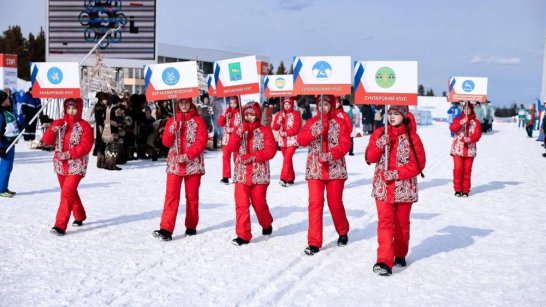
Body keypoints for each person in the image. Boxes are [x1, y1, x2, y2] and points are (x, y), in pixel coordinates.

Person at [365, 105, 426, 276]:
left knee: (401, 224)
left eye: (396, 113)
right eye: (390, 113)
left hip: (404, 188)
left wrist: (397, 173)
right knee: (385, 222)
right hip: (383, 187)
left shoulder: (413, 138)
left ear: (404, 115)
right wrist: (379, 144)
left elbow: (418, 164)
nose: (392, 117)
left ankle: (400, 253)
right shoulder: (380, 133)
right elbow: (370, 157)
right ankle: (384, 260)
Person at [296, 95, 351, 256]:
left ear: (332, 105)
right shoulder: (313, 122)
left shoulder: (340, 123)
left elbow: (346, 144)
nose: (323, 107)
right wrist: (315, 131)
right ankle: (314, 242)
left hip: (335, 169)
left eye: (326, 104)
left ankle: (342, 231)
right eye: (320, 104)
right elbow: (301, 139)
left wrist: (332, 154)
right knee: (315, 204)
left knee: (334, 203)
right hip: (315, 169)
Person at [153, 98, 208, 241]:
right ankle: (166, 228)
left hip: (193, 164)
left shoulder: (198, 121)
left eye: (186, 102)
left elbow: (201, 142)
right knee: (171, 196)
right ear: (177, 104)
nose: (183, 105)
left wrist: (188, 155)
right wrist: (172, 129)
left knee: (192, 197)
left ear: (190, 103)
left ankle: (191, 225)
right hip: (175, 164)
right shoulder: (172, 120)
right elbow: (166, 142)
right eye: (181, 103)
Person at [225, 102, 276, 245]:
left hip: (259, 173)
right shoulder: (239, 129)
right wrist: (237, 134)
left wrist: (254, 156)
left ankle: (266, 223)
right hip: (241, 173)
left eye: (252, 114)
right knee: (241, 204)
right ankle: (243, 234)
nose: (249, 117)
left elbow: (271, 150)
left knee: (259, 203)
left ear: (257, 115)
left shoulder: (265, 130)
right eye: (246, 114)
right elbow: (230, 147)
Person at [42, 98, 94, 235]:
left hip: (76, 164)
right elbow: (47, 141)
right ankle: (80, 215)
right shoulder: (60, 124)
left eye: (74, 108)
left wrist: (70, 154)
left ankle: (60, 225)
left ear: (79, 109)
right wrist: (53, 128)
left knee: (66, 193)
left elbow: (86, 146)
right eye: (69, 108)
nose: (71, 111)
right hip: (60, 164)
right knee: (70, 192)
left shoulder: (85, 126)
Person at [449, 102, 482, 197]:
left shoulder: (476, 122)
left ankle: (466, 190)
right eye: (465, 109)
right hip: (457, 149)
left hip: (470, 150)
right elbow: (452, 128)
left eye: (468, 109)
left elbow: (478, 134)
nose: (466, 110)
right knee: (458, 169)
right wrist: (461, 122)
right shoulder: (458, 119)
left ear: (471, 110)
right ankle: (458, 189)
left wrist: (470, 139)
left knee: (467, 170)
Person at [272, 97, 301, 186]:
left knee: (287, 158)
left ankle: (283, 178)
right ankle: (290, 177)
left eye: (288, 104)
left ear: (291, 104)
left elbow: (296, 128)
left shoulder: (295, 114)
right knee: (287, 160)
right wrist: (278, 121)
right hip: (282, 141)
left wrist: (286, 133)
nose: (286, 106)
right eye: (285, 104)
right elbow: (275, 127)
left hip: (292, 141)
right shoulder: (279, 114)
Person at [218, 96, 242, 184]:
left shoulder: (240, 113)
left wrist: (233, 130)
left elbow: (240, 126)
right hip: (226, 139)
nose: (232, 105)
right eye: (231, 103)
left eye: (234, 103)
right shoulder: (227, 112)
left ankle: (237, 175)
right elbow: (220, 123)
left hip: (236, 138)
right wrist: (223, 114)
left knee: (237, 158)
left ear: (237, 103)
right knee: (225, 157)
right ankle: (225, 176)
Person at [0, 91, 19, 197]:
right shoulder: (1, 114)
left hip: (10, 143)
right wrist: (0, 147)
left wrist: (23, 125)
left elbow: (12, 125)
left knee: (8, 166)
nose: (9, 100)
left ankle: (4, 187)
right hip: (5, 145)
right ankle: (1, 190)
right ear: (2, 101)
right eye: (6, 98)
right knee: (5, 167)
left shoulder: (7, 111)